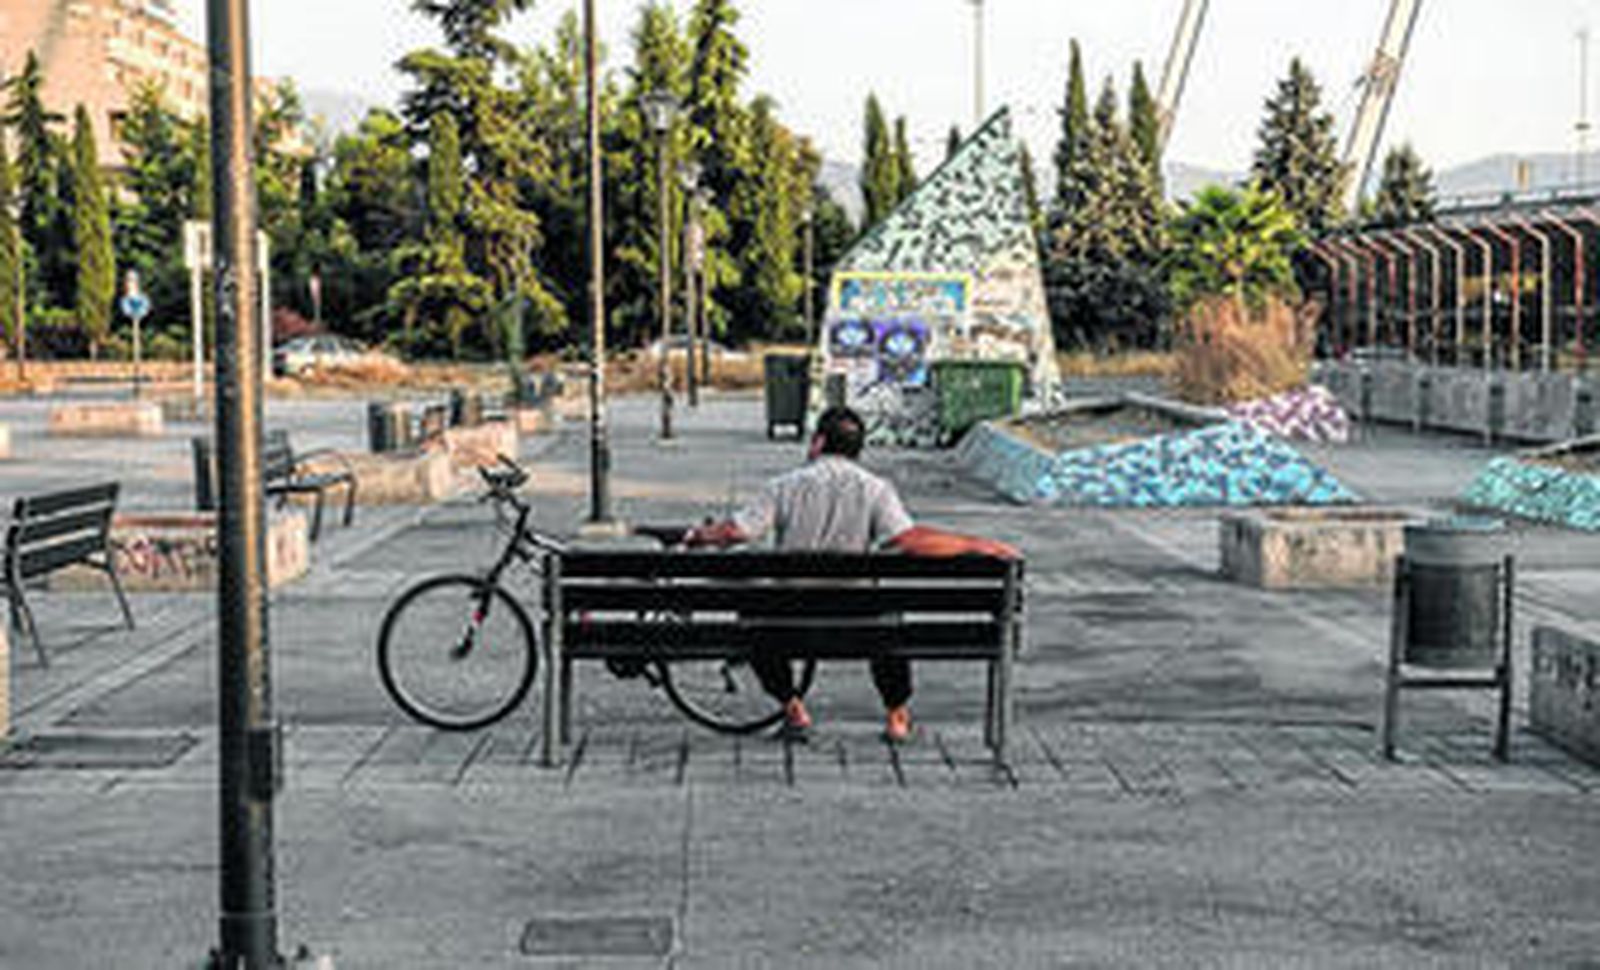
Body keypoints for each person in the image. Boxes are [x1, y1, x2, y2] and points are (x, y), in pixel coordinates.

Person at [686, 405, 1020, 743]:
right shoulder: (876, 489)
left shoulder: (783, 487)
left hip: (790, 618)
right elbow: (908, 540)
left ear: (817, 443)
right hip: (859, 620)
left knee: (753, 615)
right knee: (890, 617)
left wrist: (699, 535)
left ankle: (793, 708)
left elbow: (737, 533)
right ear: (858, 449)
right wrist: (976, 544)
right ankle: (897, 717)